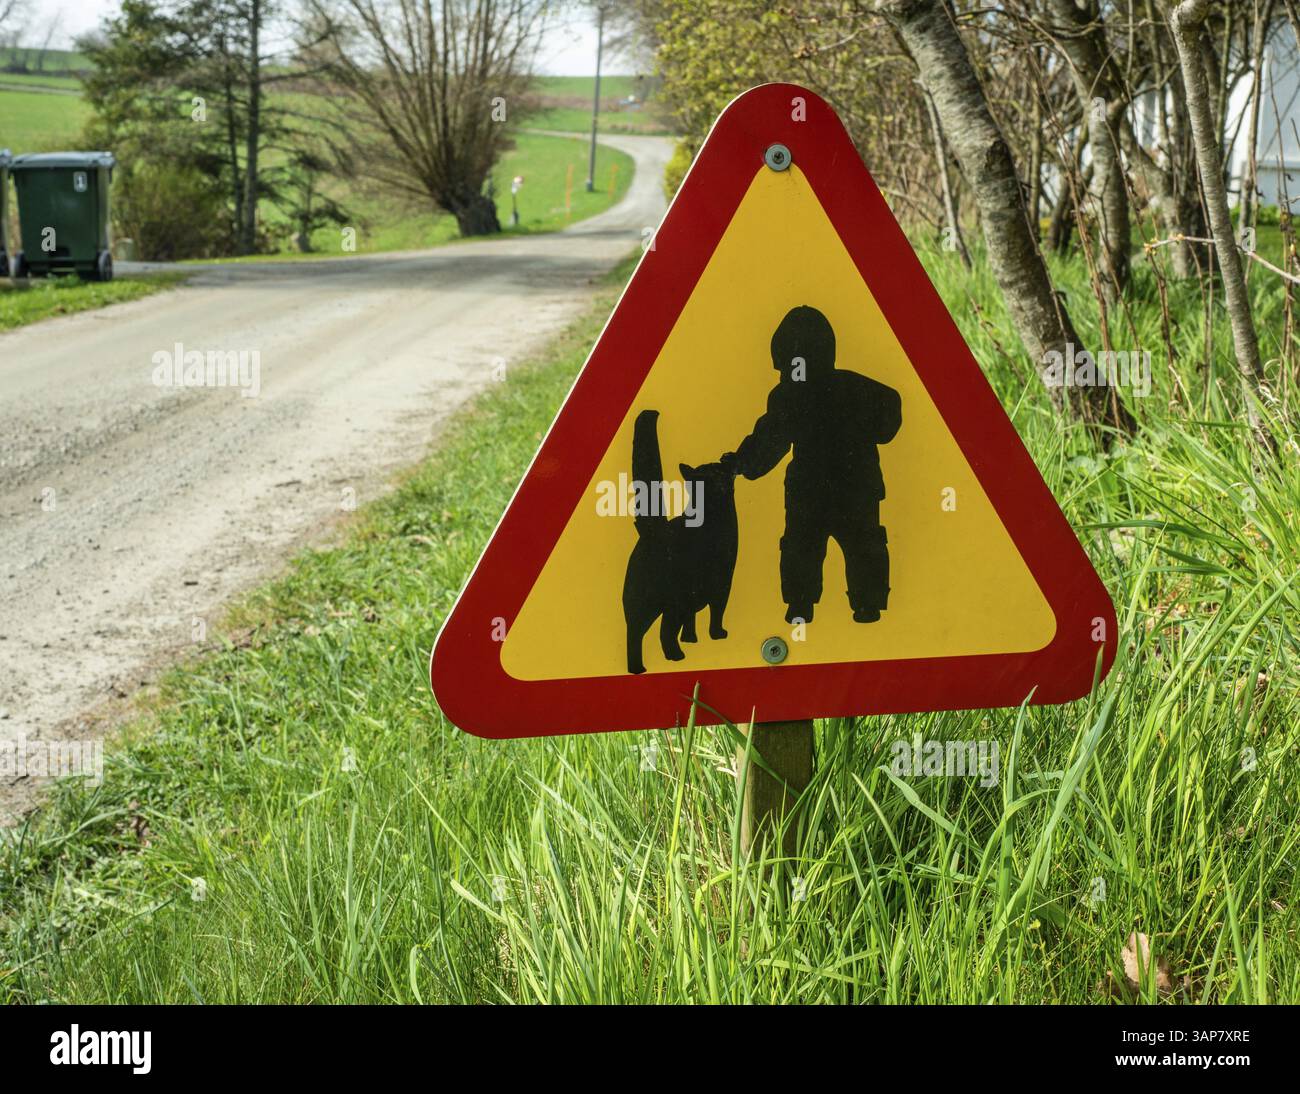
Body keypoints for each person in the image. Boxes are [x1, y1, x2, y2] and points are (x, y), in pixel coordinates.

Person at [724, 305, 902, 624]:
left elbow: (769, 441)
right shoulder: (857, 388)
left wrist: (740, 464)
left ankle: (802, 606)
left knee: (805, 551)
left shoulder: (789, 396)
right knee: (858, 548)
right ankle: (864, 605)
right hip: (855, 489)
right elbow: (888, 418)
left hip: (812, 492)